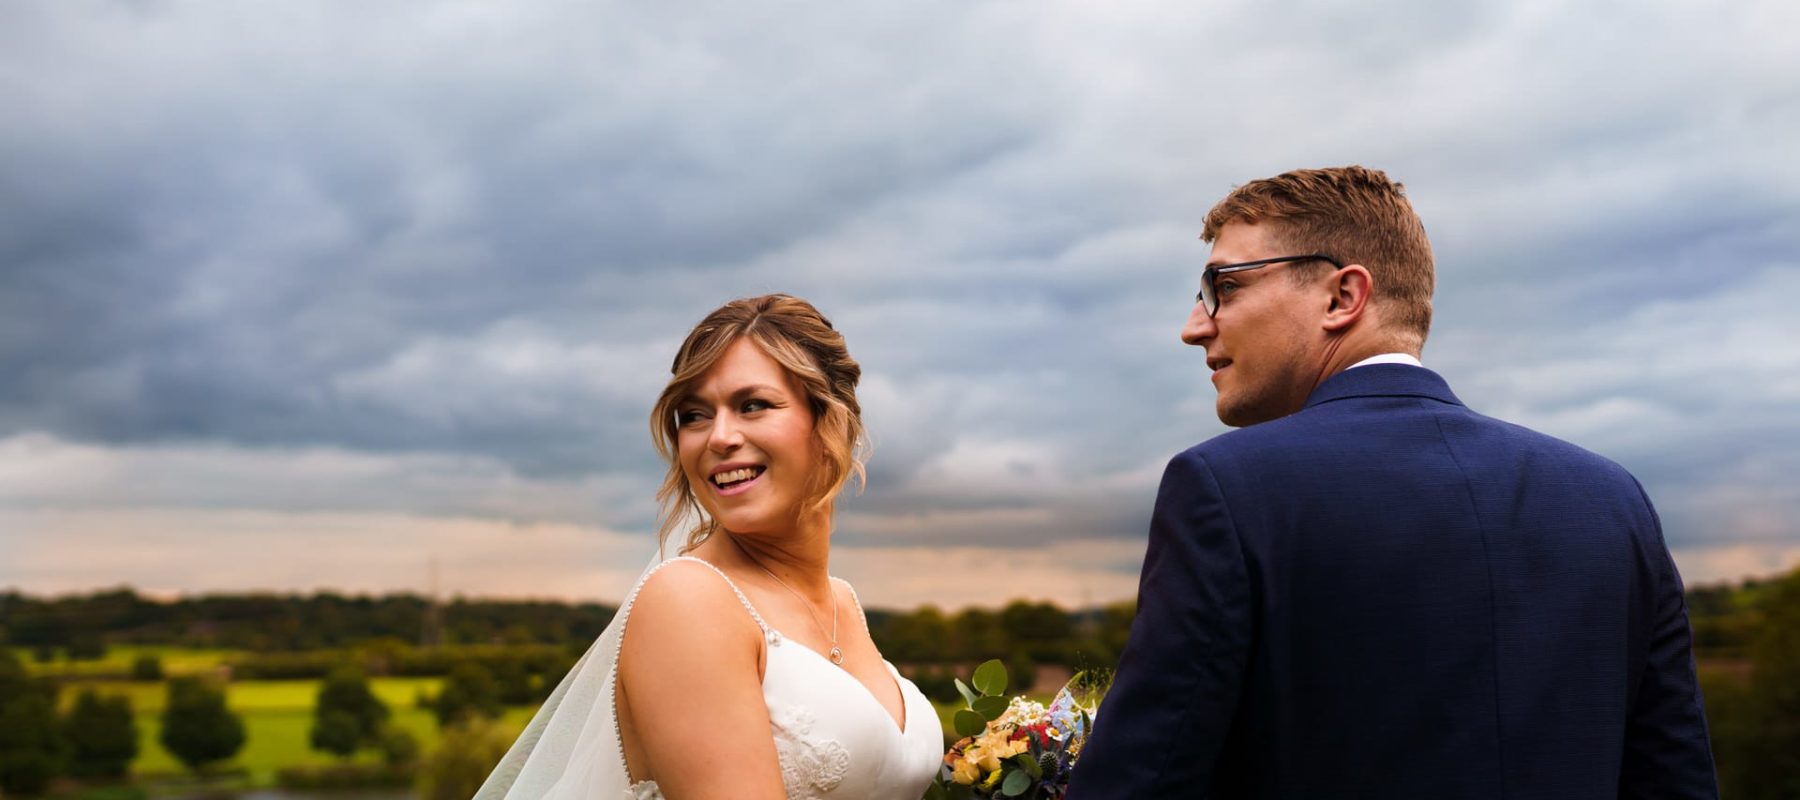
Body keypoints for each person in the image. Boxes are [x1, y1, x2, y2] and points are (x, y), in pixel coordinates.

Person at [1067, 167, 1717, 798]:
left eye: (1223, 288)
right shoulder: (1611, 497)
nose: (1195, 325)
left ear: (1342, 297)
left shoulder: (1224, 488)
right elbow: (1674, 777)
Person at [477, 294, 941, 800]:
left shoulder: (844, 602)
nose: (719, 437)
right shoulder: (689, 600)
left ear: (831, 418)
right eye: (694, 416)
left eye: (753, 405)